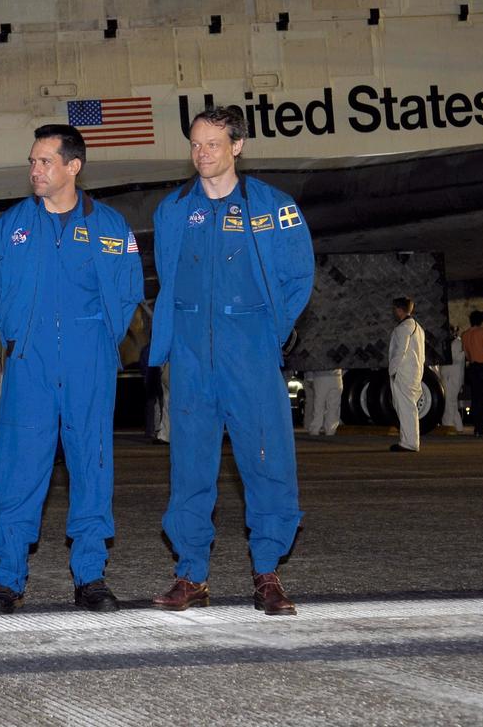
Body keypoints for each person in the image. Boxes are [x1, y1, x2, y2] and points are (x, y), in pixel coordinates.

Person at [149, 106, 314, 616]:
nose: (202, 154)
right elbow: (168, 278)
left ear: (237, 146)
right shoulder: (173, 209)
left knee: (268, 465)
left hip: (251, 356)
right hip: (193, 357)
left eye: (213, 145)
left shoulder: (274, 207)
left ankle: (267, 573)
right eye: (195, 145)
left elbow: (298, 278)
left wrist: (268, 334)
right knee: (190, 468)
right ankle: (191, 574)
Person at [0, 125, 143, 615]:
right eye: (32, 161)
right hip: (29, 363)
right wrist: (14, 337)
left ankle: (90, 576)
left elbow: (129, 290)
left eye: (45, 161)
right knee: (18, 469)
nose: (35, 170)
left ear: (73, 166)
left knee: (92, 465)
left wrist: (96, 340)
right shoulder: (10, 226)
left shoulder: (110, 226)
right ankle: (8, 578)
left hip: (87, 363)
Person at [388, 297, 425, 452]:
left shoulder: (403, 328)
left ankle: (409, 443)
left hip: (403, 372)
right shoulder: (418, 327)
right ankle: (408, 440)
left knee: (406, 407)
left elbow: (399, 351)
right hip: (414, 371)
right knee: (406, 407)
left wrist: (393, 371)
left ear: (399, 309)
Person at [440, 327, 465, 432]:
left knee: (449, 401)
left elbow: (457, 358)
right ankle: (458, 426)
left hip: (453, 376)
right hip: (448, 375)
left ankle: (448, 425)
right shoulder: (449, 343)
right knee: (452, 402)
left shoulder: (458, 343)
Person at [304, 369, 343, 437]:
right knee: (333, 407)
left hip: (320, 376)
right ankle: (330, 430)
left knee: (318, 405)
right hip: (336, 376)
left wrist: (309, 377)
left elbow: (311, 362)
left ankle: (315, 429)